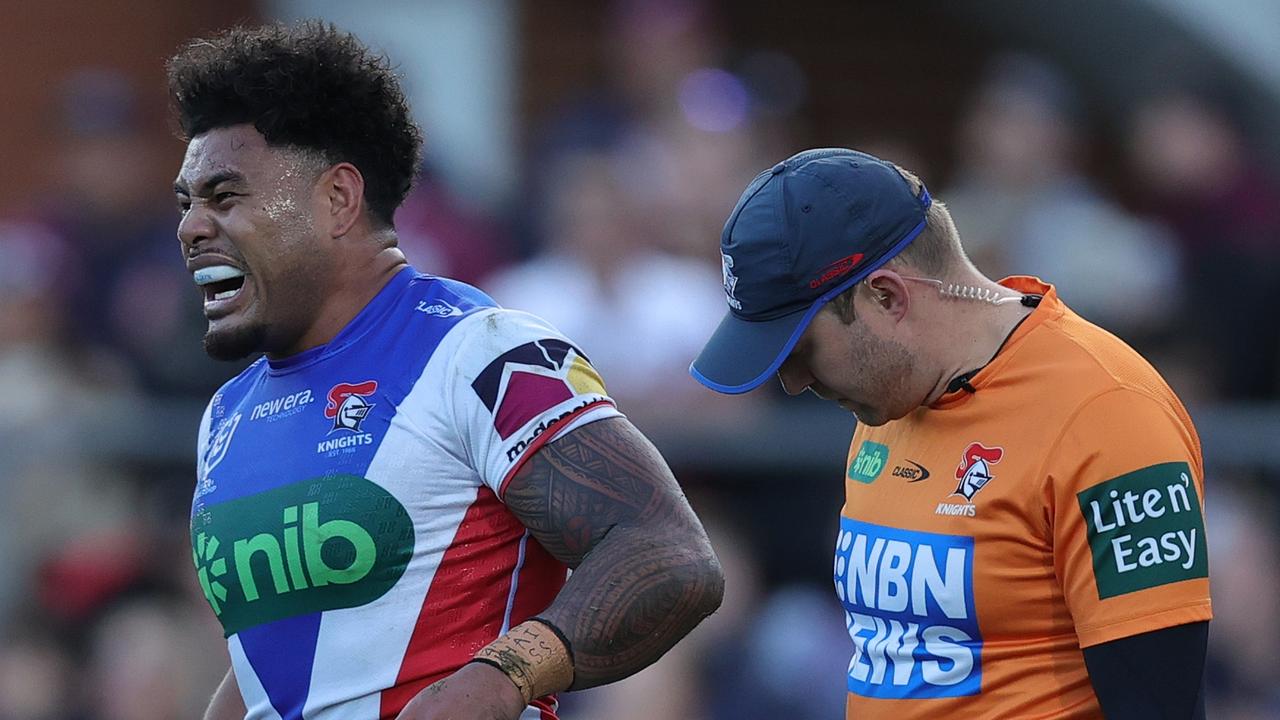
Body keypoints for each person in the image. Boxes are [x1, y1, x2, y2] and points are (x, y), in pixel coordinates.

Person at [167, 22, 723, 720]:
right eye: (187, 203)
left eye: (225, 196)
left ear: (338, 200)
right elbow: (272, 678)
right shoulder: (227, 414)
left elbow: (668, 554)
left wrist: (504, 675)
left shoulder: (482, 353)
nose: (191, 228)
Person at [691, 148, 1211, 718]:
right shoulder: (889, 399)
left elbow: (1160, 704)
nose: (792, 382)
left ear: (886, 297)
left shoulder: (1106, 412)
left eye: (802, 349)